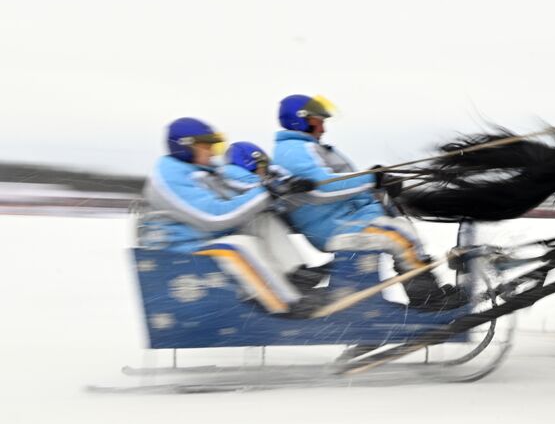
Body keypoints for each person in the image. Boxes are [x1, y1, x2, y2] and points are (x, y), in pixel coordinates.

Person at [271, 94, 466, 310]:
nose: (323, 128)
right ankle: (428, 298)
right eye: (318, 121)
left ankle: (427, 292)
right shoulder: (295, 151)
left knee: (401, 228)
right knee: (400, 237)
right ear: (301, 119)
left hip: (342, 220)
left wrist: (378, 184)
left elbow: (341, 185)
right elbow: (323, 187)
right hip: (335, 227)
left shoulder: (304, 148)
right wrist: (373, 178)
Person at [137, 118, 305, 315]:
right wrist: (266, 192)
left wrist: (278, 188)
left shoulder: (204, 170)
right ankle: (287, 304)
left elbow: (239, 197)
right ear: (185, 147)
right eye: (205, 146)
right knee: (240, 245)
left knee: (262, 220)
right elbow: (213, 218)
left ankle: (298, 278)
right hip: (180, 248)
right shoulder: (170, 177)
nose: (212, 151)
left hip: (204, 237)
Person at [220, 141, 328, 293]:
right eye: (260, 166)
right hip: (238, 227)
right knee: (266, 221)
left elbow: (274, 178)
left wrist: (293, 181)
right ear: (247, 164)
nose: (263, 170)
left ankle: (299, 272)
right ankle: (294, 275)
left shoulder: (262, 175)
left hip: (251, 222)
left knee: (282, 217)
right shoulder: (230, 172)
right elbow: (254, 185)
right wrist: (282, 185)